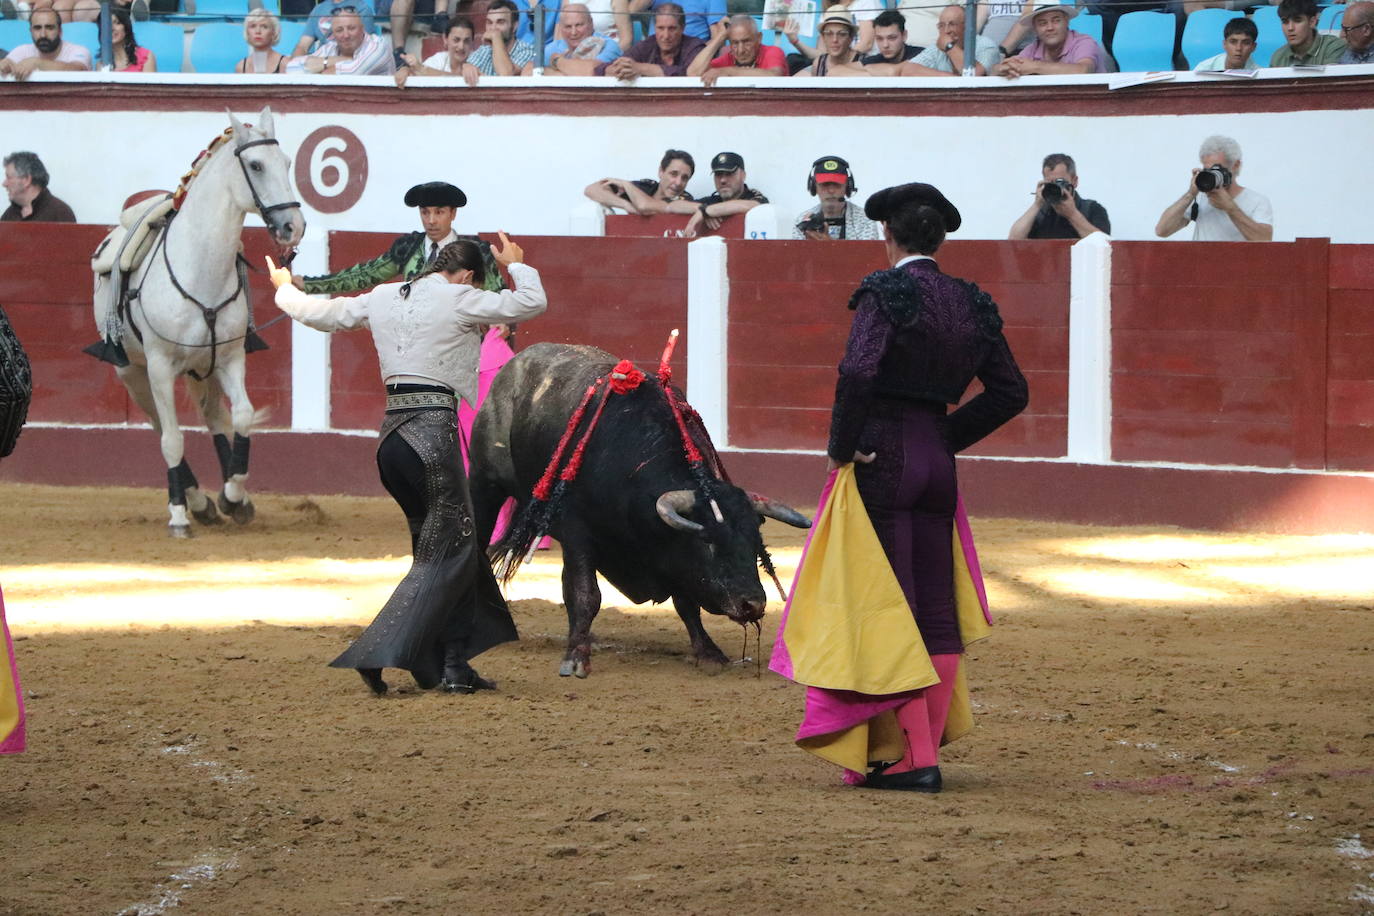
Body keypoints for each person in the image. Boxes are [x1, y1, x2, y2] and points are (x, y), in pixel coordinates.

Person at [770, 182, 1027, 792]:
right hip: (938, 460)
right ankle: (921, 752)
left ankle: (917, 761)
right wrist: (943, 438)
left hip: (883, 456)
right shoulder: (973, 301)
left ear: (887, 235)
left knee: (892, 613)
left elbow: (859, 370)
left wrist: (842, 446)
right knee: (935, 614)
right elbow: (1012, 392)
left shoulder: (886, 290)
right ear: (939, 239)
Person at [267, 234, 547, 695]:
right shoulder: (462, 297)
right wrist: (518, 265)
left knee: (446, 548)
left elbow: (321, 314)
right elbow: (531, 303)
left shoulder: (381, 296)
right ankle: (381, 650)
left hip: (392, 441)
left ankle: (449, 666)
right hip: (432, 436)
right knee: (453, 549)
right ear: (470, 275)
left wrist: (283, 287)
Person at [296, 181, 505, 296]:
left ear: (453, 214)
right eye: (425, 212)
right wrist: (308, 284)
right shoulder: (408, 248)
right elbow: (365, 275)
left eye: (439, 212)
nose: (431, 220)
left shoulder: (474, 250)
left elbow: (498, 296)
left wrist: (500, 324)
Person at [1154, 135, 1272, 242]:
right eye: (1208, 170)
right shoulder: (1200, 197)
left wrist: (1231, 208)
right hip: (1201, 265)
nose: (1213, 174)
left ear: (1236, 165)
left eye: (1219, 169)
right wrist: (1190, 194)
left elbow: (1265, 239)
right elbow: (1162, 231)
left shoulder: (1257, 201)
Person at [1007, 153, 1110, 240]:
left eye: (1060, 182)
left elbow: (1104, 245)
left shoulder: (1093, 209)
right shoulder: (1040, 213)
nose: (1055, 187)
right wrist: (1036, 205)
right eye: (1049, 182)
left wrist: (1072, 214)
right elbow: (1013, 241)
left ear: (1074, 181)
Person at [992, 1, 1105, 76]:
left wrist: (1035, 67)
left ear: (1066, 21)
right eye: (1042, 23)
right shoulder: (1033, 48)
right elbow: (994, 71)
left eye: (1056, 21)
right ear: (1035, 28)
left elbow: (1083, 70)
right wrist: (1004, 69)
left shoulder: (1084, 42)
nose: (1050, 28)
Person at [596, 2, 706, 78]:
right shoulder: (647, 45)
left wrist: (640, 69)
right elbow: (602, 69)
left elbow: (686, 73)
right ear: (655, 27)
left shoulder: (694, 46)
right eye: (660, 28)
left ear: (682, 28)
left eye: (672, 29)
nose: (666, 35)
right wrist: (621, 69)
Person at [681, 150, 768, 237]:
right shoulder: (711, 201)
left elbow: (756, 206)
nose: (723, 180)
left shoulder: (753, 195)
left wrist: (706, 211)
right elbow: (671, 205)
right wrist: (702, 209)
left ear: (743, 175)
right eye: (718, 174)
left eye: (729, 174)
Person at [791, 155, 879, 241]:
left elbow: (867, 255)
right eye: (825, 184)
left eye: (837, 184)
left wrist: (829, 246)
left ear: (847, 187)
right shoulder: (802, 221)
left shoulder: (864, 220)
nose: (831, 190)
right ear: (814, 187)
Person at [583, 148, 695, 215]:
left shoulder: (686, 200)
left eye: (685, 178)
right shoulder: (646, 187)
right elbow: (592, 190)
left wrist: (626, 185)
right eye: (673, 174)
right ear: (661, 172)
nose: (678, 182)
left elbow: (645, 206)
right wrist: (625, 204)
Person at [287, 7, 396, 74]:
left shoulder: (378, 47)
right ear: (333, 34)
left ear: (363, 29)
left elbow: (353, 72)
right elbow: (291, 67)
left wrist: (319, 67)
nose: (346, 35)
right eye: (339, 30)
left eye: (351, 28)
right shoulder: (330, 47)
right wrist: (343, 59)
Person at [900, 4, 1001, 76]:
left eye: (952, 24)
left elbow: (973, 74)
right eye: (941, 26)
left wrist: (950, 47)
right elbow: (907, 70)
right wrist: (948, 78)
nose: (946, 31)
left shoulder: (986, 45)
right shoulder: (937, 48)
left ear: (967, 26)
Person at [522, 3, 621, 75]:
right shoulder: (556, 46)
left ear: (591, 23)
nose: (573, 32)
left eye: (579, 25)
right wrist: (565, 73)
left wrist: (557, 61)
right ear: (560, 27)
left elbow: (593, 72)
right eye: (568, 27)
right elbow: (527, 71)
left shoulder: (608, 45)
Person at [688, 14, 788, 85]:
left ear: (759, 38)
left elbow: (774, 76)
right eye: (735, 43)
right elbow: (693, 73)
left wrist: (728, 72)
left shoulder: (772, 52)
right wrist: (720, 37)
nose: (741, 50)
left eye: (747, 42)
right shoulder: (728, 58)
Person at [0, 9, 92, 81]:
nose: (43, 34)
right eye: (37, 28)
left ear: (60, 31)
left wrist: (38, 63)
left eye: (49, 28)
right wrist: (4, 66)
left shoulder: (78, 50)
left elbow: (78, 70)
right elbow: (6, 63)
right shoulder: (22, 50)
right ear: (31, 31)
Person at [395, 16, 481, 85]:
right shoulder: (439, 59)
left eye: (466, 41)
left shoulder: (479, 59)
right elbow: (418, 73)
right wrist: (405, 70)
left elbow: (422, 70)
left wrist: (422, 69)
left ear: (472, 42)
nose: (461, 46)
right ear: (445, 39)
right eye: (456, 40)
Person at [786, 5, 868, 76]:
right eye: (829, 34)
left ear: (851, 37)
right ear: (823, 37)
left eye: (842, 34)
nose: (835, 39)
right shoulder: (819, 64)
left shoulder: (864, 61)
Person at [2, 151, 75, 223]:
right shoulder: (8, 216)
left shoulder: (60, 213)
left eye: (9, 177)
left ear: (27, 180)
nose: (4, 184)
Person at [466, 0, 536, 75]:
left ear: (515, 26)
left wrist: (496, 38)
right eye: (489, 22)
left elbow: (506, 74)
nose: (493, 28)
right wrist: (467, 68)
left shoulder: (527, 51)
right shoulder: (483, 51)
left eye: (500, 22)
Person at [1269, 0, 1346, 66]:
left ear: (1312, 22)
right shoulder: (1278, 58)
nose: (1290, 28)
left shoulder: (1334, 47)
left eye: (1297, 21)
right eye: (1285, 22)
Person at [291, 0, 377, 56]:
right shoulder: (318, 9)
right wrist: (295, 65)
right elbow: (302, 46)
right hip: (320, 62)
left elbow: (364, 50)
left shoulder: (362, 8)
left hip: (349, 64)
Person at [859, 9, 923, 74]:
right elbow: (848, 68)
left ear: (904, 35)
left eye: (892, 38)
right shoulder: (877, 59)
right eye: (879, 38)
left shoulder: (921, 55)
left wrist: (871, 70)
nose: (885, 45)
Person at [627, 0, 728, 42]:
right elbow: (630, 11)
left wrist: (701, 55)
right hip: (656, 51)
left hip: (691, 54)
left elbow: (718, 37)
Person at [1193, 16, 1257, 71]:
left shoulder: (1259, 74)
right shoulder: (1203, 70)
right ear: (1224, 44)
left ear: (1253, 47)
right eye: (1233, 42)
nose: (1238, 48)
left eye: (1245, 43)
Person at [237, 9, 289, 74]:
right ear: (247, 32)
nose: (258, 31)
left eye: (264, 27)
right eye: (253, 26)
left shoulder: (285, 64)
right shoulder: (241, 67)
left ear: (274, 32)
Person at [105, 6, 156, 71]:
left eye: (117, 23)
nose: (112, 28)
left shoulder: (146, 57)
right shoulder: (102, 64)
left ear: (126, 27)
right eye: (107, 24)